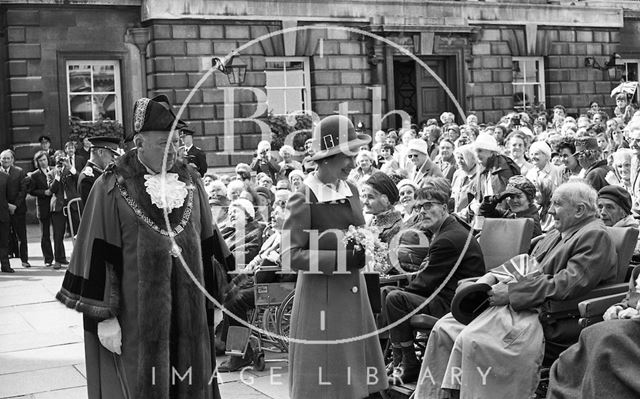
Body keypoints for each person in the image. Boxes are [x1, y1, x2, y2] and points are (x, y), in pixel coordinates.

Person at [57, 95, 232, 399]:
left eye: (177, 141)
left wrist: (216, 301)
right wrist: (104, 318)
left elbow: (209, 244)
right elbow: (96, 253)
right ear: (139, 143)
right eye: (164, 142)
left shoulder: (191, 181)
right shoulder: (111, 186)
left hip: (191, 318)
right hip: (137, 322)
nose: (174, 150)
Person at [416, 181, 618, 399]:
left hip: (545, 313)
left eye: (557, 204)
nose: (549, 210)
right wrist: (492, 278)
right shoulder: (557, 232)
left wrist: (511, 293)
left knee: (472, 340)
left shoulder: (595, 235)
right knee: (443, 328)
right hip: (518, 305)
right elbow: (526, 265)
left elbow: (567, 284)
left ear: (579, 210)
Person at [281, 114, 387, 398]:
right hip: (321, 304)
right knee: (328, 386)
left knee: (358, 385)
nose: (353, 164)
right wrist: (341, 258)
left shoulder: (351, 189)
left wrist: (366, 246)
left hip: (354, 296)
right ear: (327, 158)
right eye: (348, 157)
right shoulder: (303, 196)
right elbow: (291, 255)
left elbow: (358, 231)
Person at [384, 187, 485, 384]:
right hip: (448, 296)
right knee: (389, 291)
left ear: (445, 207)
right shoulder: (446, 231)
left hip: (457, 304)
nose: (422, 211)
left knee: (394, 298)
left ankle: (409, 363)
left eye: (428, 206)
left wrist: (405, 287)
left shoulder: (448, 238)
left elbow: (425, 284)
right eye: (419, 207)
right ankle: (398, 359)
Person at [547, 267, 640, 399]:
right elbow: (631, 297)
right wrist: (619, 307)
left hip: (630, 334)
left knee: (606, 341)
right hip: (625, 326)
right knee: (572, 358)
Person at [478, 175, 542, 237]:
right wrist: (497, 198)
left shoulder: (531, 222)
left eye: (519, 196)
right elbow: (484, 211)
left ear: (529, 198)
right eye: (511, 197)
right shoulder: (511, 215)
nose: (514, 200)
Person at [1, 150, 29, 268]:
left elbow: (23, 191)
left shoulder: (19, 172)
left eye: (8, 158)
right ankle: (6, 262)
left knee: (21, 236)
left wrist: (15, 205)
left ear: (12, 160)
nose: (6, 161)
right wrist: (7, 205)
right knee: (4, 237)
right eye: (3, 158)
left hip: (18, 209)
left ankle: (24, 260)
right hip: (3, 210)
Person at [474, 133, 520, 203]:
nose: (477, 154)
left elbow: (505, 201)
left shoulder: (502, 168)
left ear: (491, 152)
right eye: (476, 151)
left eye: (480, 151)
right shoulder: (483, 168)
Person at [27, 150, 54, 267]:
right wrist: (44, 192)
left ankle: (60, 257)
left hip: (56, 206)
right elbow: (31, 191)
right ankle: (48, 259)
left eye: (44, 159)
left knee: (58, 234)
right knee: (45, 234)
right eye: (40, 160)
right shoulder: (34, 175)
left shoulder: (54, 170)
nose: (43, 162)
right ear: (37, 162)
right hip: (43, 207)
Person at [46, 150, 73, 268]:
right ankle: (58, 259)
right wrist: (57, 175)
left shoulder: (70, 171)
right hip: (58, 207)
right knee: (58, 234)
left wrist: (69, 167)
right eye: (58, 158)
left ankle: (78, 259)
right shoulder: (51, 173)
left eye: (62, 158)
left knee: (76, 233)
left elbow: (78, 179)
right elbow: (52, 189)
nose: (60, 160)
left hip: (72, 205)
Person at [361, 172, 403, 246]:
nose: (365, 202)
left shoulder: (396, 228)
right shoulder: (372, 219)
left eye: (370, 197)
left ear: (385, 200)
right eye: (364, 196)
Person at [77, 136, 121, 207]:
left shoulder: (99, 173)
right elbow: (94, 210)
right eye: (111, 155)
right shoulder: (87, 178)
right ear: (100, 152)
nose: (113, 159)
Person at [450, 144, 478, 218]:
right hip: (455, 218)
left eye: (462, 158)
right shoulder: (457, 174)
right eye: (458, 158)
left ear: (472, 159)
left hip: (470, 220)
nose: (459, 161)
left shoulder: (479, 177)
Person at [0, 168, 11, 273]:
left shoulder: (5, 176)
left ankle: (5, 265)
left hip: (2, 213)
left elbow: (9, 195)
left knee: (4, 241)